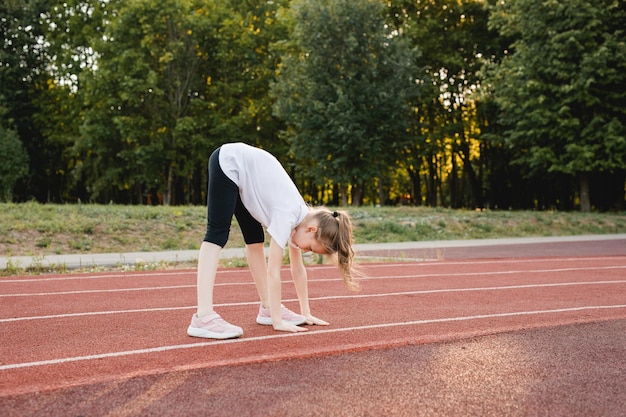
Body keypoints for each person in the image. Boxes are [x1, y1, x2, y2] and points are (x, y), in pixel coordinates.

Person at [187, 142, 360, 340]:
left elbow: (298, 270)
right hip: (229, 162)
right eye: (311, 248)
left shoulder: (301, 222)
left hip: (248, 174)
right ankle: (203, 316)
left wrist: (306, 312)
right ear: (312, 230)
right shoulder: (287, 215)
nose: (306, 251)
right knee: (217, 233)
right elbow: (273, 272)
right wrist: (278, 322)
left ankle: (268, 308)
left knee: (255, 239)